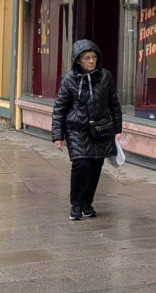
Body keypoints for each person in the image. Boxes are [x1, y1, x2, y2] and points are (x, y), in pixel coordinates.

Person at [50, 39, 122, 221]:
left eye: (94, 57)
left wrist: (117, 128)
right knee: (81, 164)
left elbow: (114, 103)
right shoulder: (69, 80)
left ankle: (87, 203)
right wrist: (57, 136)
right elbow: (59, 108)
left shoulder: (105, 76)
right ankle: (75, 204)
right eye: (87, 58)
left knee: (96, 166)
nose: (91, 61)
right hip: (77, 129)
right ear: (78, 61)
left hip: (101, 129)